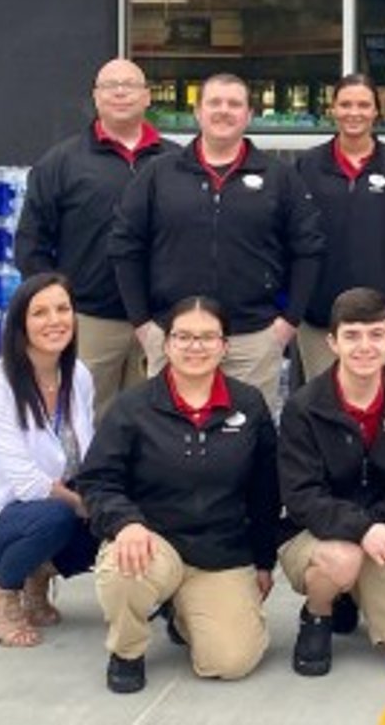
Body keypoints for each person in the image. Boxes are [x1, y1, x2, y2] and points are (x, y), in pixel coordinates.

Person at [77, 296, 280, 693]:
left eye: (207, 337)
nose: (195, 346)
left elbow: (265, 490)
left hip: (221, 552)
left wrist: (263, 561)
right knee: (122, 568)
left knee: (232, 661)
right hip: (152, 542)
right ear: (166, 344)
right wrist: (125, 523)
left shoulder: (249, 405)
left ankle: (183, 611)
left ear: (225, 345)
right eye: (183, 336)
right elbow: (98, 480)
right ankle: (127, 651)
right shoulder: (133, 406)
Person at [109, 72, 325, 411]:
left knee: (248, 442)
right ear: (198, 112)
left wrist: (288, 323)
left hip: (252, 340)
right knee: (166, 440)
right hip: (174, 338)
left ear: (250, 115)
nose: (224, 111)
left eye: (234, 104)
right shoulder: (159, 174)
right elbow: (125, 246)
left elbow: (308, 249)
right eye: (214, 103)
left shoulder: (280, 177)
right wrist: (142, 324)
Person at [276, 287, 385, 677]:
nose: (364, 346)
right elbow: (301, 496)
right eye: (351, 335)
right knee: (341, 559)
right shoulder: (304, 407)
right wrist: (361, 529)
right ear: (332, 342)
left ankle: (352, 592)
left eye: (375, 334)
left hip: (378, 531)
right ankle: (318, 613)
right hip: (313, 533)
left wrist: (378, 525)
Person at [15, 58, 178, 421]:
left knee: (153, 424)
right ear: (95, 96)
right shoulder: (61, 162)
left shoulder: (176, 161)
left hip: (159, 321)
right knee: (80, 421)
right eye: (109, 85)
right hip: (89, 320)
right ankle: (84, 482)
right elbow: (31, 243)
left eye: (130, 84)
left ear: (148, 97)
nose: (120, 92)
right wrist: (57, 308)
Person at [0, 273, 98, 648]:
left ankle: (36, 576)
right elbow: (28, 484)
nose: (55, 320)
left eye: (63, 309)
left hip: (44, 512)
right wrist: (89, 508)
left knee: (118, 517)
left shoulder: (78, 375)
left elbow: (86, 457)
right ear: (20, 323)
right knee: (60, 514)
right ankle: (0, 591)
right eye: (40, 312)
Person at [293, 72, 385, 379]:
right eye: (346, 104)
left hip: (380, 316)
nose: (354, 112)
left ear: (376, 111)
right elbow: (292, 234)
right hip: (319, 318)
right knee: (323, 405)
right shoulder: (307, 166)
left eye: (363, 105)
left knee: (378, 405)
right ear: (333, 110)